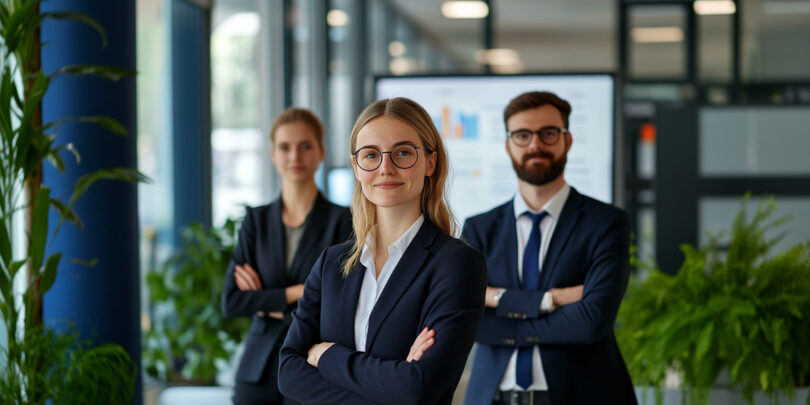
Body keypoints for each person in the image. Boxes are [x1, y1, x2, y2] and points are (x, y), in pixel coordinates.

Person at [277, 97, 487, 405]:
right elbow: (288, 374)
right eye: (371, 155)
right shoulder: (331, 264)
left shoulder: (458, 264)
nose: (385, 168)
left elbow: (418, 387)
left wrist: (326, 355)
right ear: (356, 167)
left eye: (403, 153)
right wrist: (391, 382)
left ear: (430, 162)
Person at [463, 91, 637, 405]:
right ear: (508, 145)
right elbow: (467, 321)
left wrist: (494, 299)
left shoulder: (607, 223)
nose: (535, 145)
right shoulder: (479, 228)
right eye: (522, 135)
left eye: (548, 133)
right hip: (493, 398)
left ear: (567, 141)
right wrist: (553, 300)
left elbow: (591, 321)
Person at [221, 107, 353, 405]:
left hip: (314, 365)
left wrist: (267, 301)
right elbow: (232, 301)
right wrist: (302, 291)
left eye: (305, 146)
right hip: (257, 368)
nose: (295, 156)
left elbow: (337, 300)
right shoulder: (256, 221)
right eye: (285, 147)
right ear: (272, 154)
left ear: (320, 152)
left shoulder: (343, 221)